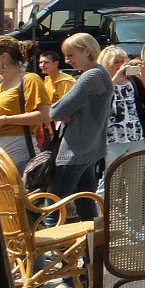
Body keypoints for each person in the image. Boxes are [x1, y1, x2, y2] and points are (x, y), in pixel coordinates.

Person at [48, 34, 113, 221]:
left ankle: (48, 249)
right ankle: (92, 248)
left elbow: (56, 111)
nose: (67, 60)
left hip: (75, 151)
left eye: (70, 55)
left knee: (51, 209)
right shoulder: (100, 73)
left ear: (86, 51)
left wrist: (68, 112)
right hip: (89, 149)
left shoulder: (91, 76)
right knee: (86, 209)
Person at [0, 37, 51, 171]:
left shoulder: (29, 79)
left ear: (4, 57)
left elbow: (46, 114)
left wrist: (5, 120)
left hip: (19, 153)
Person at [97, 46, 145, 167]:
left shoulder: (133, 81)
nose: (120, 65)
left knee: (136, 180)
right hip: (112, 140)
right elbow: (99, 105)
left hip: (136, 137)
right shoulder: (101, 82)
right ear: (107, 64)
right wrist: (114, 80)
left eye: (122, 61)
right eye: (116, 62)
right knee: (111, 178)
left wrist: (144, 79)